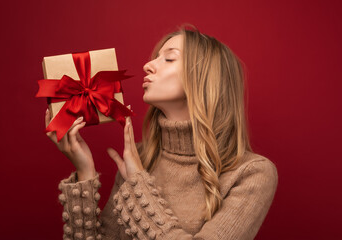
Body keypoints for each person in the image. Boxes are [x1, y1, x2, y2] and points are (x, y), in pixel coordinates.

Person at [45, 24, 278, 240]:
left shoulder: (252, 174)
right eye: (156, 57)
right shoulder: (139, 158)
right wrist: (85, 171)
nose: (149, 65)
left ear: (204, 78)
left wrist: (138, 186)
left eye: (168, 58)